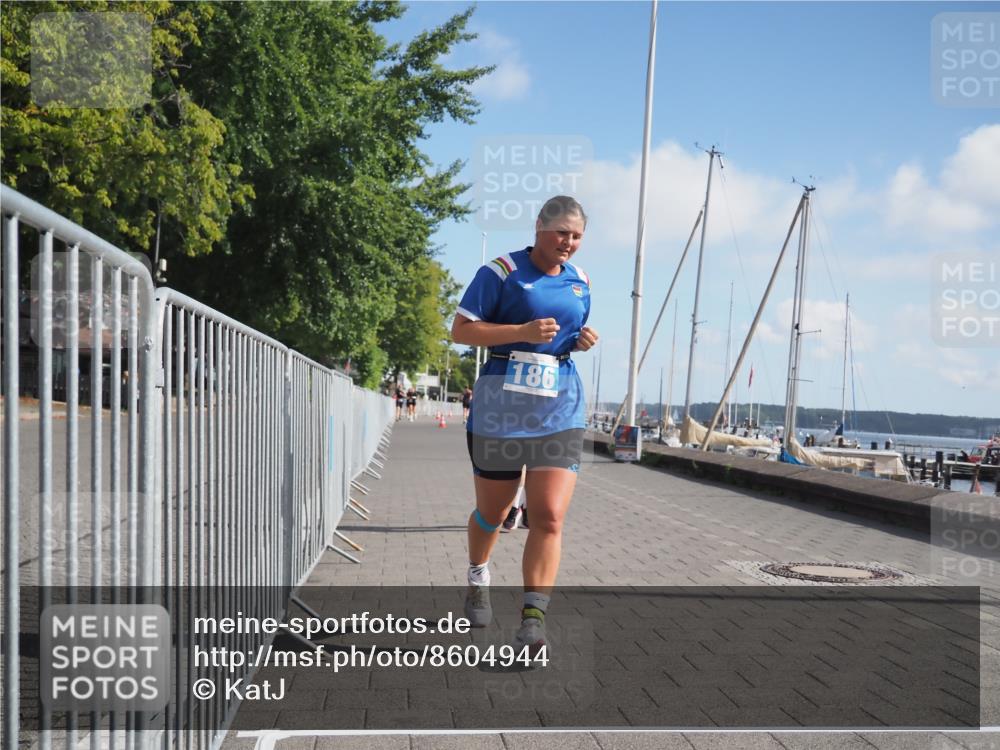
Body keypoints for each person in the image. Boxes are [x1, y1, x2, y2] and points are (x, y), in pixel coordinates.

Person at [451, 195, 598, 654]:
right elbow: (462, 330)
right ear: (539, 228)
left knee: (549, 516)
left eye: (576, 236)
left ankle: (532, 622)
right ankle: (478, 574)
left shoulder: (580, 281)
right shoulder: (500, 271)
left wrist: (583, 341)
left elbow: (563, 338)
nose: (568, 243)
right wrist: (523, 331)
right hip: (501, 410)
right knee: (493, 514)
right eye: (561, 233)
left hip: (560, 408)